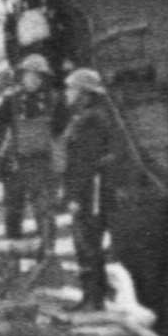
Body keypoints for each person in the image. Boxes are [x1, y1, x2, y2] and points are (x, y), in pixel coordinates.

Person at [55, 67, 122, 313]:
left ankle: (94, 300)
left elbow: (84, 164)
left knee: (87, 244)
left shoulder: (90, 121)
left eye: (71, 89)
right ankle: (93, 297)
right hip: (90, 189)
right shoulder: (90, 116)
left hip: (89, 192)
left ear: (84, 93)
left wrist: (74, 197)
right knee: (88, 244)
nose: (67, 93)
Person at [0, 70, 61, 243]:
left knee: (44, 210)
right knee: (13, 210)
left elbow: (62, 135)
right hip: (15, 163)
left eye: (37, 76)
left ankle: (47, 251)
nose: (33, 80)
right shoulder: (11, 101)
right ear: (22, 78)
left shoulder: (54, 101)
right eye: (29, 76)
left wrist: (61, 166)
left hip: (43, 163)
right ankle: (13, 250)